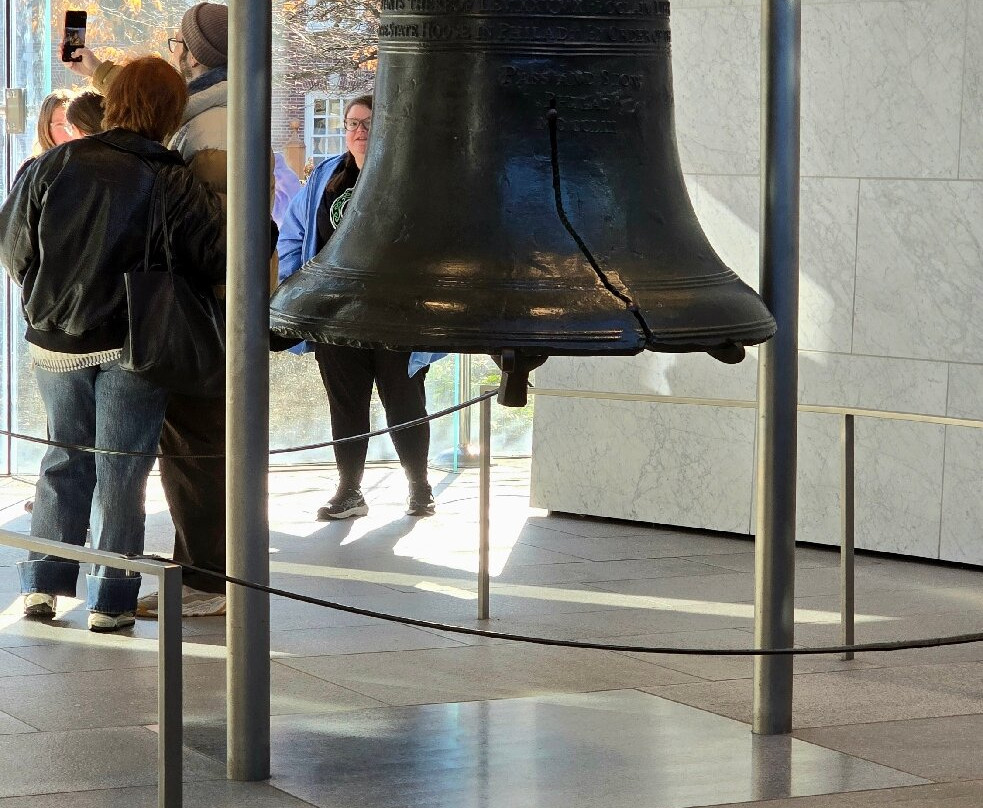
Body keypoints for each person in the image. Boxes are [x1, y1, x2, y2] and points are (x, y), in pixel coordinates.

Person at [0, 56, 225, 633]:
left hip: (55, 340)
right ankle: (111, 600)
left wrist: (47, 295)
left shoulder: (51, 164)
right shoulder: (170, 175)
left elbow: (13, 248)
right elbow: (217, 251)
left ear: (114, 103)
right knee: (122, 472)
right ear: (171, 111)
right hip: (134, 341)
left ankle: (43, 588)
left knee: (62, 459)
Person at [68, 3, 248, 618]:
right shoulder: (207, 109)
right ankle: (198, 568)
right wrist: (96, 68)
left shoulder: (213, 124)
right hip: (192, 306)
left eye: (176, 41)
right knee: (186, 445)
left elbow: (223, 235)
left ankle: (207, 579)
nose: (173, 49)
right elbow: (147, 100)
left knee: (196, 446)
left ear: (194, 53)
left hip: (202, 309)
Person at [277, 95, 439, 520]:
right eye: (351, 123)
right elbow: (293, 236)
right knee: (345, 405)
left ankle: (419, 487)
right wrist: (301, 290)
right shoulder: (326, 176)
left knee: (405, 402)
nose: (359, 131)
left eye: (368, 123)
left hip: (397, 318)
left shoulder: (410, 175)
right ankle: (349, 491)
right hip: (337, 317)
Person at [34, 89, 76, 154]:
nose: (69, 133)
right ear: (47, 129)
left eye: (73, 125)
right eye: (60, 125)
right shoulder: (35, 163)